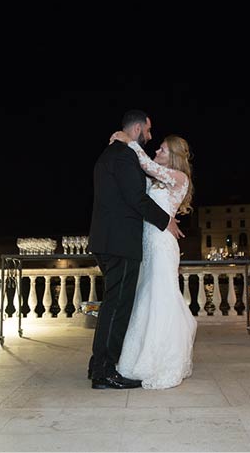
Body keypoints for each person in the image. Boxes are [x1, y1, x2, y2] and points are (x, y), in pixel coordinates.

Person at [87, 110, 184, 390]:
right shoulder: (125, 155)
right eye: (149, 131)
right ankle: (104, 372)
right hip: (121, 244)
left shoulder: (107, 155)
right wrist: (167, 221)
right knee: (117, 308)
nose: (151, 137)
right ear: (139, 129)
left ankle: (99, 365)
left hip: (107, 241)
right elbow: (136, 200)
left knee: (112, 306)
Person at [109, 130, 198, 389]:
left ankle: (161, 359)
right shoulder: (157, 181)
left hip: (161, 245)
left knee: (160, 297)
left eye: (162, 150)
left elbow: (146, 164)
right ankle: (138, 357)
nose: (157, 152)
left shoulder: (179, 177)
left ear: (174, 157)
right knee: (146, 297)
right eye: (157, 148)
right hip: (148, 244)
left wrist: (132, 144)